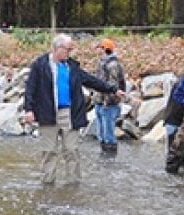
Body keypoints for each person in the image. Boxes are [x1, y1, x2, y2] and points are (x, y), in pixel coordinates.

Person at [23, 34, 122, 185]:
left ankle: (73, 186)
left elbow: (91, 81)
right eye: (68, 50)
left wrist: (113, 89)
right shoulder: (40, 64)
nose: (69, 53)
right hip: (48, 113)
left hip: (69, 113)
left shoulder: (72, 67)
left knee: (72, 151)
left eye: (70, 50)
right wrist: (28, 109)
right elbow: (30, 87)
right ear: (58, 48)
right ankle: (47, 185)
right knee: (49, 151)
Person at [93, 38, 126, 156]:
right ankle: (104, 159)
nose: (96, 49)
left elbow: (113, 85)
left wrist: (107, 102)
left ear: (104, 49)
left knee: (109, 136)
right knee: (101, 135)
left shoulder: (113, 65)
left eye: (99, 47)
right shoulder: (101, 63)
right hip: (99, 102)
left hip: (108, 105)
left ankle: (111, 160)